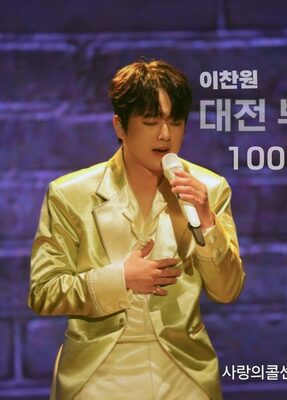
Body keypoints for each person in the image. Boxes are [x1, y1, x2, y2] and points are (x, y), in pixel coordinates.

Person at [29, 59, 245, 400]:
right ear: (120, 125)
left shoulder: (209, 189)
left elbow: (227, 290)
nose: (165, 135)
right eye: (151, 121)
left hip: (183, 368)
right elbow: (43, 292)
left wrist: (207, 220)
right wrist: (120, 279)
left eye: (175, 122)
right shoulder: (70, 194)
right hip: (98, 371)